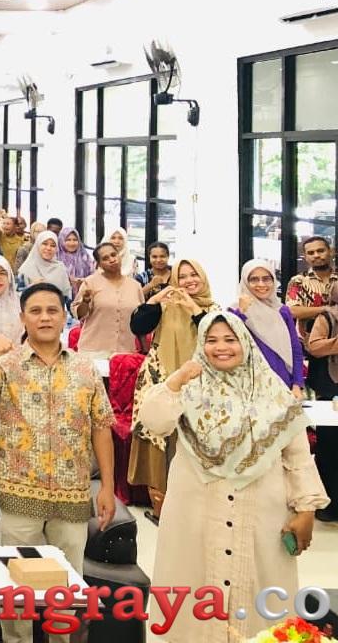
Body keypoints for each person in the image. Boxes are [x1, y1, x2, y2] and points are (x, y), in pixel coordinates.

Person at [137, 313, 328, 641]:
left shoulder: (273, 392)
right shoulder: (188, 388)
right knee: (194, 593)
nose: (221, 347)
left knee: (259, 603)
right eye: (211, 340)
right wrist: (177, 379)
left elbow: (296, 455)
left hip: (261, 514)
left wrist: (307, 508)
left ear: (246, 343)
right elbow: (153, 422)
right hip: (195, 513)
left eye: (230, 339)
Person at [0, 283, 116, 643]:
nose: (44, 317)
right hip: (20, 495)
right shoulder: (7, 364)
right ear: (23, 318)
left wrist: (108, 487)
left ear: (64, 317)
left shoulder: (85, 368)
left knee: (66, 586)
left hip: (72, 495)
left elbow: (101, 427)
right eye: (35, 311)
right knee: (16, 585)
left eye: (52, 310)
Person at [128, 258, 219, 524]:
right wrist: (155, 300)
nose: (189, 281)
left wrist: (192, 308)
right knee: (159, 441)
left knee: (192, 442)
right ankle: (161, 509)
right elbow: (138, 326)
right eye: (183, 276)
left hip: (199, 383)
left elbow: (212, 335)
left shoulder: (214, 309)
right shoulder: (165, 306)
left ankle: (193, 509)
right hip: (161, 378)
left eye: (194, 275)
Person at [230, 259, 304, 396]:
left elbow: (295, 349)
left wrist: (297, 384)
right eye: (254, 279)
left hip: (282, 383)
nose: (261, 284)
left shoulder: (282, 311)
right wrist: (242, 312)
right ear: (245, 282)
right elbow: (231, 344)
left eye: (266, 279)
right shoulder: (234, 312)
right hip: (249, 387)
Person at [71, 243, 145, 355]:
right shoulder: (90, 282)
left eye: (113, 255)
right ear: (99, 264)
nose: (112, 260)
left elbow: (140, 320)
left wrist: (145, 349)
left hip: (125, 352)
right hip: (94, 352)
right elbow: (80, 315)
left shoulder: (135, 286)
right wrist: (85, 301)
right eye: (105, 258)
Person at [304, 281, 338, 522]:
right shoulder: (328, 316)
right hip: (331, 391)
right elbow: (314, 347)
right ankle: (329, 505)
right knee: (329, 447)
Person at [286, 236, 338, 337]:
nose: (316, 255)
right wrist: (326, 309)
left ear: (331, 252)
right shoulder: (298, 281)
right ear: (305, 257)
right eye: (311, 253)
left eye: (321, 251)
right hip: (308, 342)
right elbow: (292, 311)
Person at [16, 231, 72, 299]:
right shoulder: (26, 268)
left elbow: (67, 296)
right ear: (38, 245)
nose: (48, 248)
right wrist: (32, 287)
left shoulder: (60, 268)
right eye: (45, 244)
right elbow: (17, 296)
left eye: (53, 245)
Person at [56, 229, 95, 300]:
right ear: (61, 240)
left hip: (84, 298)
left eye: (75, 240)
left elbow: (94, 277)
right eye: (68, 240)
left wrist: (83, 281)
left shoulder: (86, 257)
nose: (72, 243)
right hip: (60, 297)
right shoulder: (56, 257)